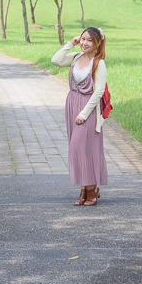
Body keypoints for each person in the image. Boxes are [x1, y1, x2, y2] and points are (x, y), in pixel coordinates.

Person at [52, 27, 108, 206]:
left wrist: (84, 114)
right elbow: (56, 60)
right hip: (72, 103)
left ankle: (91, 189)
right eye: (83, 39)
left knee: (84, 148)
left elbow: (98, 92)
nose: (84, 43)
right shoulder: (76, 57)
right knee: (76, 148)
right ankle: (84, 189)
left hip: (88, 108)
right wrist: (70, 43)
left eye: (89, 40)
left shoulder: (99, 63)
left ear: (97, 43)